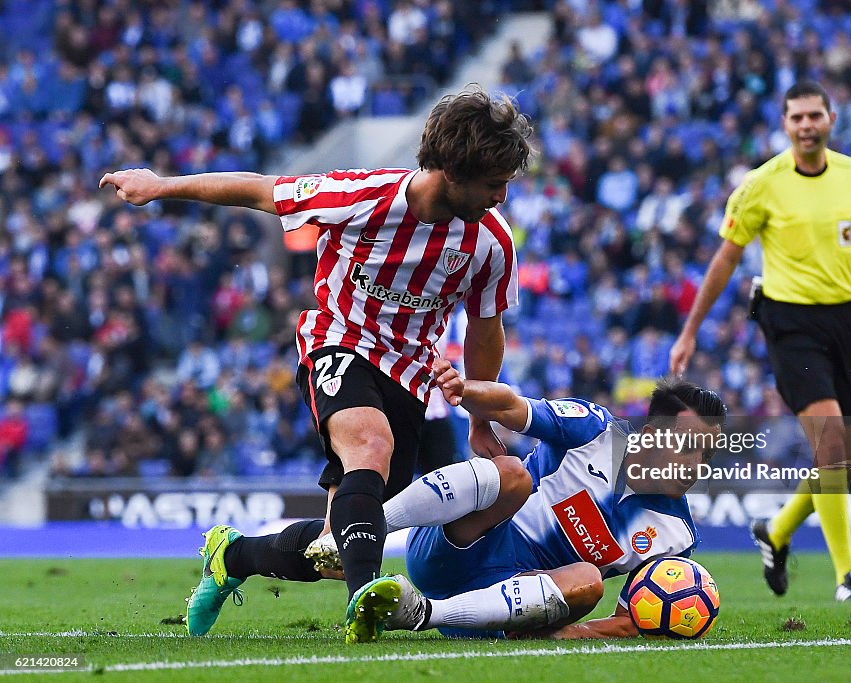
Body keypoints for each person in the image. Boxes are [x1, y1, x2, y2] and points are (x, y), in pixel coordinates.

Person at [99, 85, 534, 639]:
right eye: (494, 184)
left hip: (409, 375)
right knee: (369, 447)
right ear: (454, 170)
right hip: (339, 343)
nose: (501, 198)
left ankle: (232, 557)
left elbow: (484, 326)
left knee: (337, 545)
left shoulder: (492, 242)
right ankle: (365, 606)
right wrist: (162, 186)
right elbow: (260, 190)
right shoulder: (361, 196)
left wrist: (480, 416)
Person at [668, 81, 851, 602]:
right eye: (796, 117)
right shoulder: (760, 185)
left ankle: (775, 532)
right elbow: (725, 260)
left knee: (843, 457)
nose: (806, 125)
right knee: (833, 443)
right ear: (785, 123)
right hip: (789, 323)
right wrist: (689, 332)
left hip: (846, 321)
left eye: (814, 116)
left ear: (831, 119)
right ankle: (849, 575)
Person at [340, 359, 727, 640]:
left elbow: (630, 619)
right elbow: (511, 406)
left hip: (496, 608)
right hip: (453, 546)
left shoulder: (677, 535)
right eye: (687, 446)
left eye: (706, 455)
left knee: (589, 581)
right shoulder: (595, 430)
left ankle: (424, 613)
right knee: (514, 474)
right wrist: (465, 389)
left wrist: (570, 634)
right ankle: (371, 524)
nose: (695, 465)